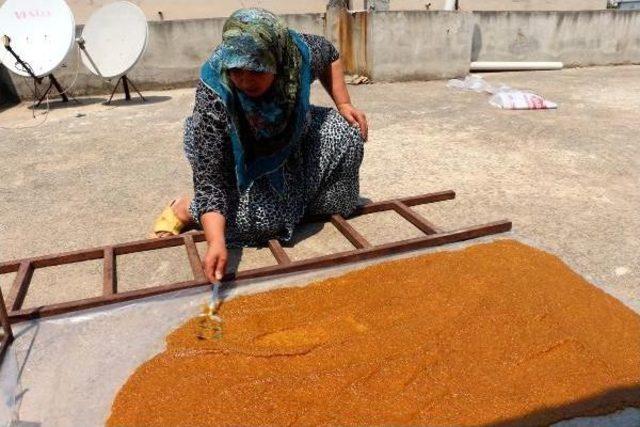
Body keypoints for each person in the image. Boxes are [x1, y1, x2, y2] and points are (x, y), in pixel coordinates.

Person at [152, 8, 367, 283]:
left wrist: (344, 104)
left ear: (276, 61)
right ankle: (185, 208)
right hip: (237, 154)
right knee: (264, 224)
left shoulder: (296, 55)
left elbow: (330, 54)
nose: (244, 80)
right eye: (236, 70)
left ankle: (292, 203)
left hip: (291, 138)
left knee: (347, 140)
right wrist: (215, 242)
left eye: (255, 69)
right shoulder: (214, 93)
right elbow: (211, 181)